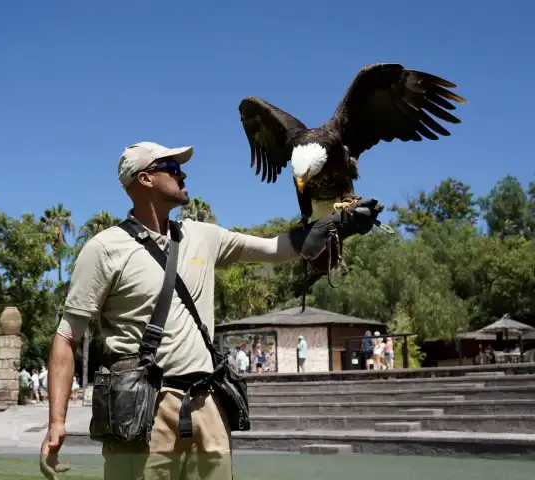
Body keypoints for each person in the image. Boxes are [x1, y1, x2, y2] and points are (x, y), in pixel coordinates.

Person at [39, 141, 383, 480]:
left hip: (208, 408)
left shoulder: (203, 236)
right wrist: (57, 421)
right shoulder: (104, 249)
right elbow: (66, 337)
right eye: (172, 168)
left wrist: (337, 223)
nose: (183, 174)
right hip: (142, 413)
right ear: (144, 179)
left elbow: (274, 248)